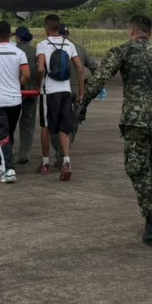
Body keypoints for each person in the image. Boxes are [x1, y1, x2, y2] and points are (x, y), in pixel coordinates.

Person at [80, 14, 152, 249]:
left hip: (136, 121)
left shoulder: (122, 51)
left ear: (131, 30)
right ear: (150, 32)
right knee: (150, 167)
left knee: (138, 170)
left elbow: (100, 77)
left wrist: (83, 103)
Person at [35, 14, 86, 180]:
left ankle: (45, 163)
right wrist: (81, 92)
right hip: (65, 90)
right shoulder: (69, 44)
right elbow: (80, 69)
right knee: (65, 127)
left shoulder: (42, 44)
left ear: (46, 27)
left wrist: (38, 83)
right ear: (58, 27)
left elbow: (41, 68)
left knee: (46, 127)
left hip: (49, 91)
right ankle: (66, 162)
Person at [0, 21, 30, 184]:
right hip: (15, 99)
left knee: (2, 134)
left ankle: (9, 169)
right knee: (9, 133)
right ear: (10, 35)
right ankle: (3, 162)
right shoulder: (19, 52)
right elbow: (26, 74)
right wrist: (18, 84)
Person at [13, 26, 39, 165]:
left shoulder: (13, 50)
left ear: (17, 37)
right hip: (31, 90)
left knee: (9, 121)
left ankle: (5, 149)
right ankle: (24, 152)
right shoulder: (35, 51)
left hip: (13, 91)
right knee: (28, 122)